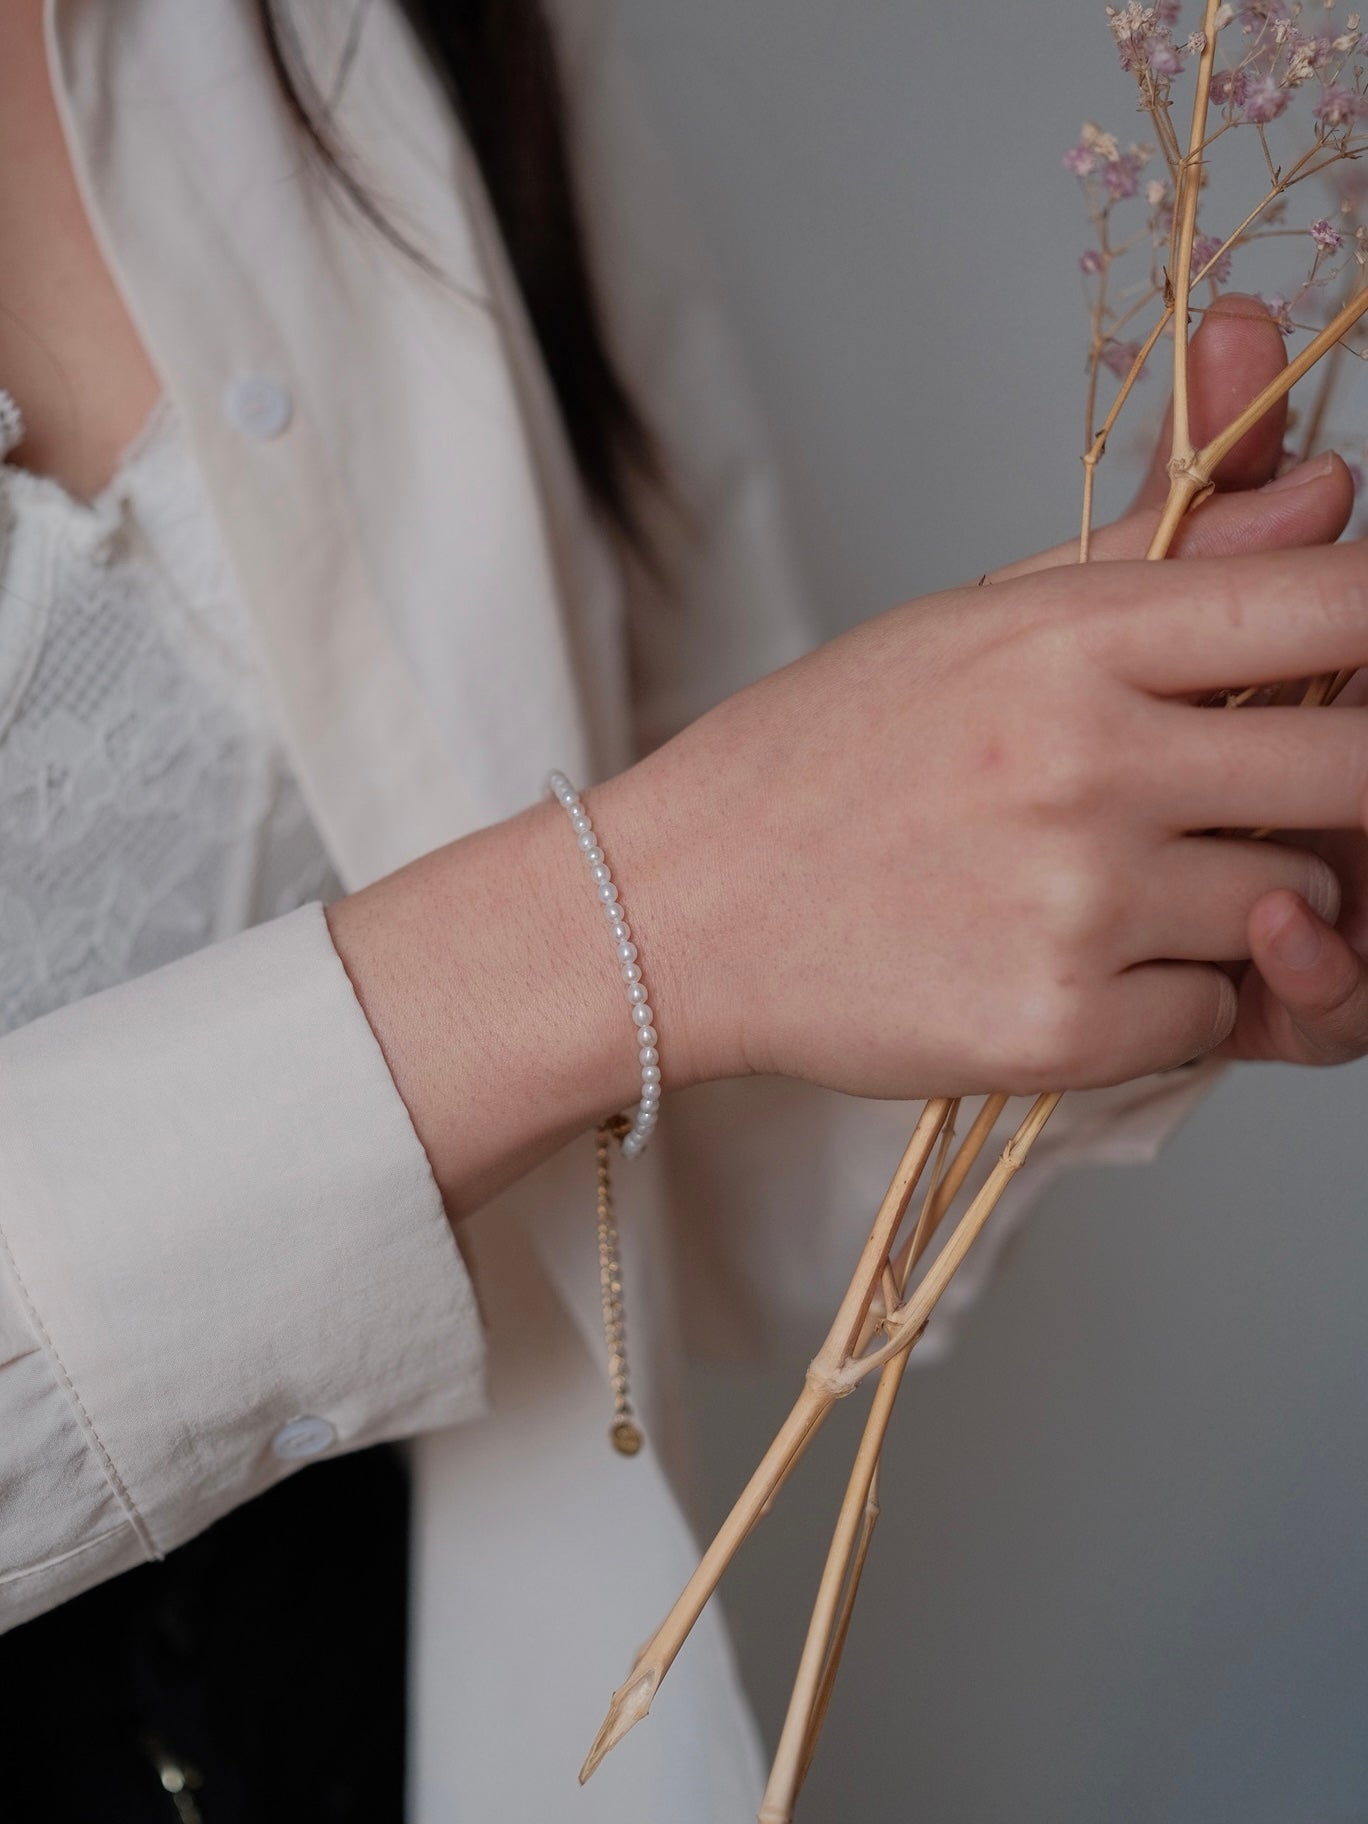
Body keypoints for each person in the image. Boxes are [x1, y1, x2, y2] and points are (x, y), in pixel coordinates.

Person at [3, 1, 1368, 1818]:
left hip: (389, 1713)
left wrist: (1140, 875)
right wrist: (634, 915)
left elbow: (693, 1179)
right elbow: (666, 916)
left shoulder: (415, 35)